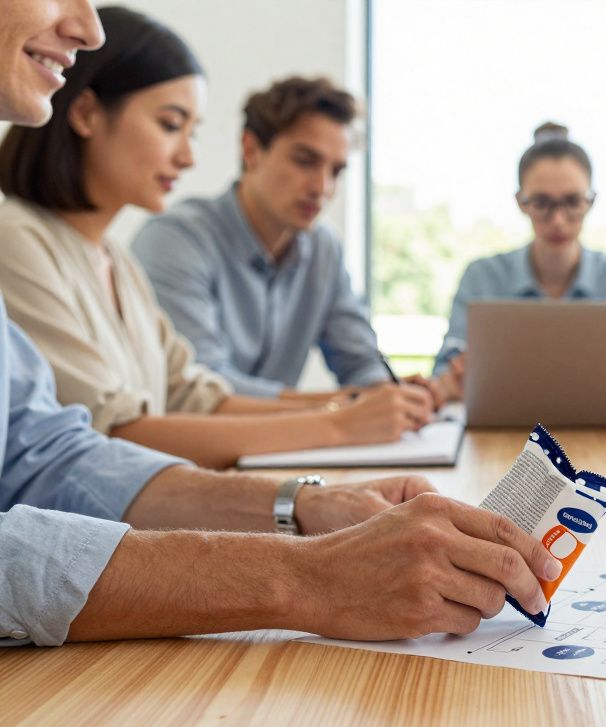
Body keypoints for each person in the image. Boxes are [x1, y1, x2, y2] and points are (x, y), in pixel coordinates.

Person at [0, 0, 561, 648]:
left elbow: (49, 456)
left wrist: (306, 503)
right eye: (170, 123)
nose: (87, 27)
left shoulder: (119, 259)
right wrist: (309, 569)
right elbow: (121, 427)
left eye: (337, 169)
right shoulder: (54, 238)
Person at [0, 7, 431, 469]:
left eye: (192, 132)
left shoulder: (115, 260)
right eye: (169, 125)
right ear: (85, 112)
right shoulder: (18, 241)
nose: (187, 158)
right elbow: (112, 433)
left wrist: (353, 407)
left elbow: (194, 394)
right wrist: (341, 424)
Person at [132, 76, 409, 403]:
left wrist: (390, 396)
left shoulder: (324, 249)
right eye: (305, 161)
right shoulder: (175, 240)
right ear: (251, 150)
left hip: (276, 449)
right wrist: (339, 407)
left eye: (336, 171)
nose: (322, 189)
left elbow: (360, 361)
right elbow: (201, 388)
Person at [408, 122, 606, 403]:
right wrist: (452, 381)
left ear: (591, 201)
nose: (558, 220)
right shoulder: (481, 276)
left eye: (572, 202)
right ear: (520, 202)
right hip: (498, 436)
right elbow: (444, 369)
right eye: (541, 203)